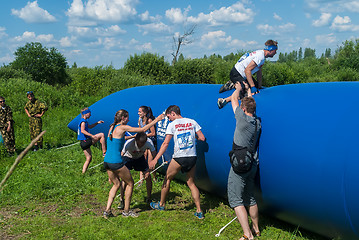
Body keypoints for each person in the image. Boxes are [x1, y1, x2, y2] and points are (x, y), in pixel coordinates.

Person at [103, 109, 164, 219]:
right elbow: (142, 129)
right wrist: (157, 120)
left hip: (107, 161)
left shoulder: (112, 127)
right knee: (130, 183)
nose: (129, 119)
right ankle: (126, 211)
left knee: (116, 184)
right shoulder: (122, 127)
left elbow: (119, 139)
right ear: (123, 118)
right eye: (127, 118)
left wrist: (131, 137)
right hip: (116, 161)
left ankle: (107, 211)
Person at [149, 105, 206, 219]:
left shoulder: (172, 125)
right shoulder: (192, 122)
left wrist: (155, 159)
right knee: (191, 183)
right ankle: (199, 211)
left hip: (179, 157)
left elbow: (165, 144)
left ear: (173, 113)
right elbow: (202, 138)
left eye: (169, 116)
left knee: (167, 178)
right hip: (192, 156)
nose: (169, 119)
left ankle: (161, 204)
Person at [227, 83, 261, 240]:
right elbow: (247, 103)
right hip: (252, 163)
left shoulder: (242, 119)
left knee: (236, 199)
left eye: (242, 106)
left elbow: (234, 99)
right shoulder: (257, 123)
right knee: (250, 196)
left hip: (240, 165)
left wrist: (238, 88)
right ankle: (256, 229)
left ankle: (248, 235)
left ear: (244, 109)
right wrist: (248, 91)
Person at [217, 39, 278, 109]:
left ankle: (234, 83)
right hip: (237, 73)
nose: (275, 53)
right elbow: (247, 70)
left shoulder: (261, 56)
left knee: (256, 86)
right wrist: (252, 87)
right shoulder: (260, 57)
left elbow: (259, 71)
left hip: (243, 75)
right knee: (244, 92)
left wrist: (259, 86)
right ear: (270, 50)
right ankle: (224, 99)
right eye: (275, 51)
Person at [119, 132, 157, 208]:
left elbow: (153, 152)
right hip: (128, 157)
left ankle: (149, 198)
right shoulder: (129, 143)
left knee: (148, 176)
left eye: (143, 143)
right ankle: (121, 200)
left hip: (139, 158)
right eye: (140, 143)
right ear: (136, 140)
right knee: (124, 179)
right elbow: (121, 155)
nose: (141, 145)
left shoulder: (149, 142)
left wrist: (153, 161)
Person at [77, 107, 106, 174]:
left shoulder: (83, 121)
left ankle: (83, 173)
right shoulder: (83, 122)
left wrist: (97, 123)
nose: (90, 115)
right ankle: (104, 152)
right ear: (86, 114)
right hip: (85, 141)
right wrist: (92, 136)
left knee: (89, 158)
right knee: (101, 135)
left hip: (83, 143)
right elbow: (82, 130)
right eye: (89, 114)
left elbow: (90, 126)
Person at [138, 106, 157, 182]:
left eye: (140, 112)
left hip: (150, 142)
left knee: (150, 162)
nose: (138, 113)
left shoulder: (149, 121)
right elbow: (140, 130)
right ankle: (141, 180)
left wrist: (144, 135)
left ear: (145, 113)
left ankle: (154, 177)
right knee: (142, 159)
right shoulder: (140, 120)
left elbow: (153, 133)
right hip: (143, 141)